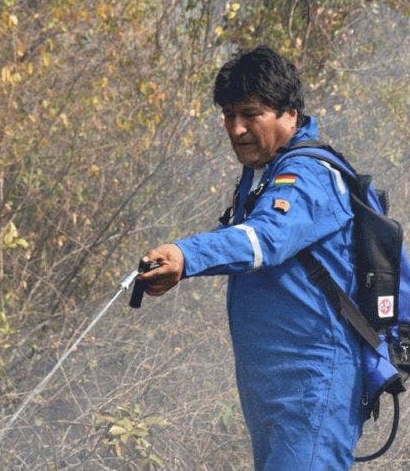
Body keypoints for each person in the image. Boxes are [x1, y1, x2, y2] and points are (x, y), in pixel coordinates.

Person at [140, 46, 366, 469]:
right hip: (273, 385)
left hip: (313, 382)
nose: (237, 129)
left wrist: (186, 256)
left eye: (250, 114)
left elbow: (266, 239)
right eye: (228, 115)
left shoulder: (309, 177)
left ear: (290, 114)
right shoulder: (266, 173)